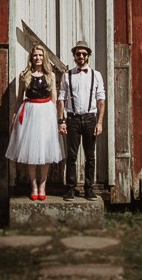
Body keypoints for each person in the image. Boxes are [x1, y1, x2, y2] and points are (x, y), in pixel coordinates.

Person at [5, 44, 63, 201]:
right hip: (29, 112)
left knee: (45, 153)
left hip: (45, 113)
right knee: (30, 152)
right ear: (31, 57)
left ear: (44, 57)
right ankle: (34, 186)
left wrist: (57, 119)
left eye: (40, 55)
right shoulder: (25, 75)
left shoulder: (50, 75)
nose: (37, 58)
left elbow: (54, 99)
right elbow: (19, 99)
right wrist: (15, 114)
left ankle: (43, 186)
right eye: (35, 55)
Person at [57, 40, 106, 201]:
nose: (81, 56)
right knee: (71, 156)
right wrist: (61, 121)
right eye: (78, 53)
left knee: (90, 156)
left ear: (88, 56)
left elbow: (101, 100)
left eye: (84, 54)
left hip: (90, 119)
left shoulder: (96, 75)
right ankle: (70, 188)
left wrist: (99, 122)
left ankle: (89, 189)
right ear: (74, 56)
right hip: (72, 119)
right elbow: (61, 99)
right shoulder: (67, 75)